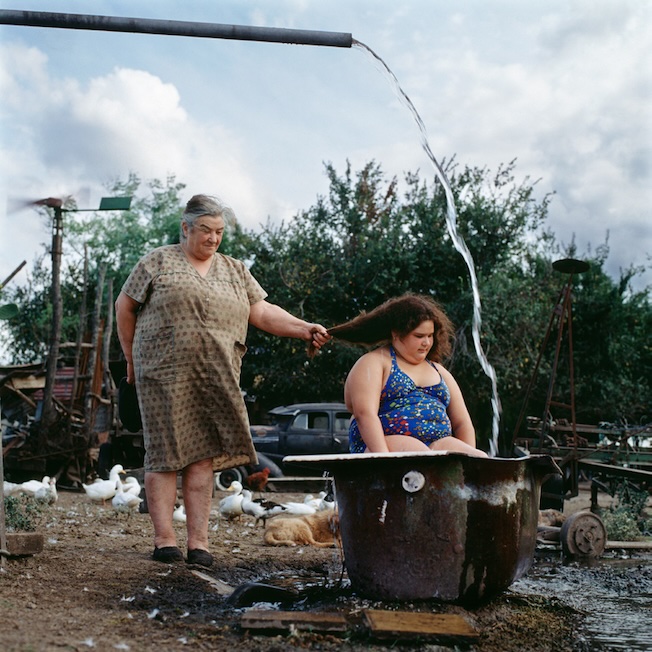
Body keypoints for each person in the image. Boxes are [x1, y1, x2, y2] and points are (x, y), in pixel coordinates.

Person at [115, 194, 330, 566]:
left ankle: (199, 544)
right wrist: (132, 359)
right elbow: (125, 306)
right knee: (164, 456)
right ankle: (165, 539)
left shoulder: (234, 269)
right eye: (205, 230)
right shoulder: (157, 262)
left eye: (219, 232)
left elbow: (261, 311)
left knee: (202, 460)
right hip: (163, 375)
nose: (213, 238)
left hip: (217, 375)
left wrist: (302, 328)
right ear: (185, 228)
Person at [328, 293, 487, 457]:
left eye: (430, 336)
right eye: (419, 336)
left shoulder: (439, 371)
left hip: (437, 445)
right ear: (396, 333)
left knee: (481, 457)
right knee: (422, 455)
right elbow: (364, 414)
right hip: (384, 446)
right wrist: (383, 458)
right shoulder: (374, 363)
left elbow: (462, 423)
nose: (426, 343)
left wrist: (468, 465)